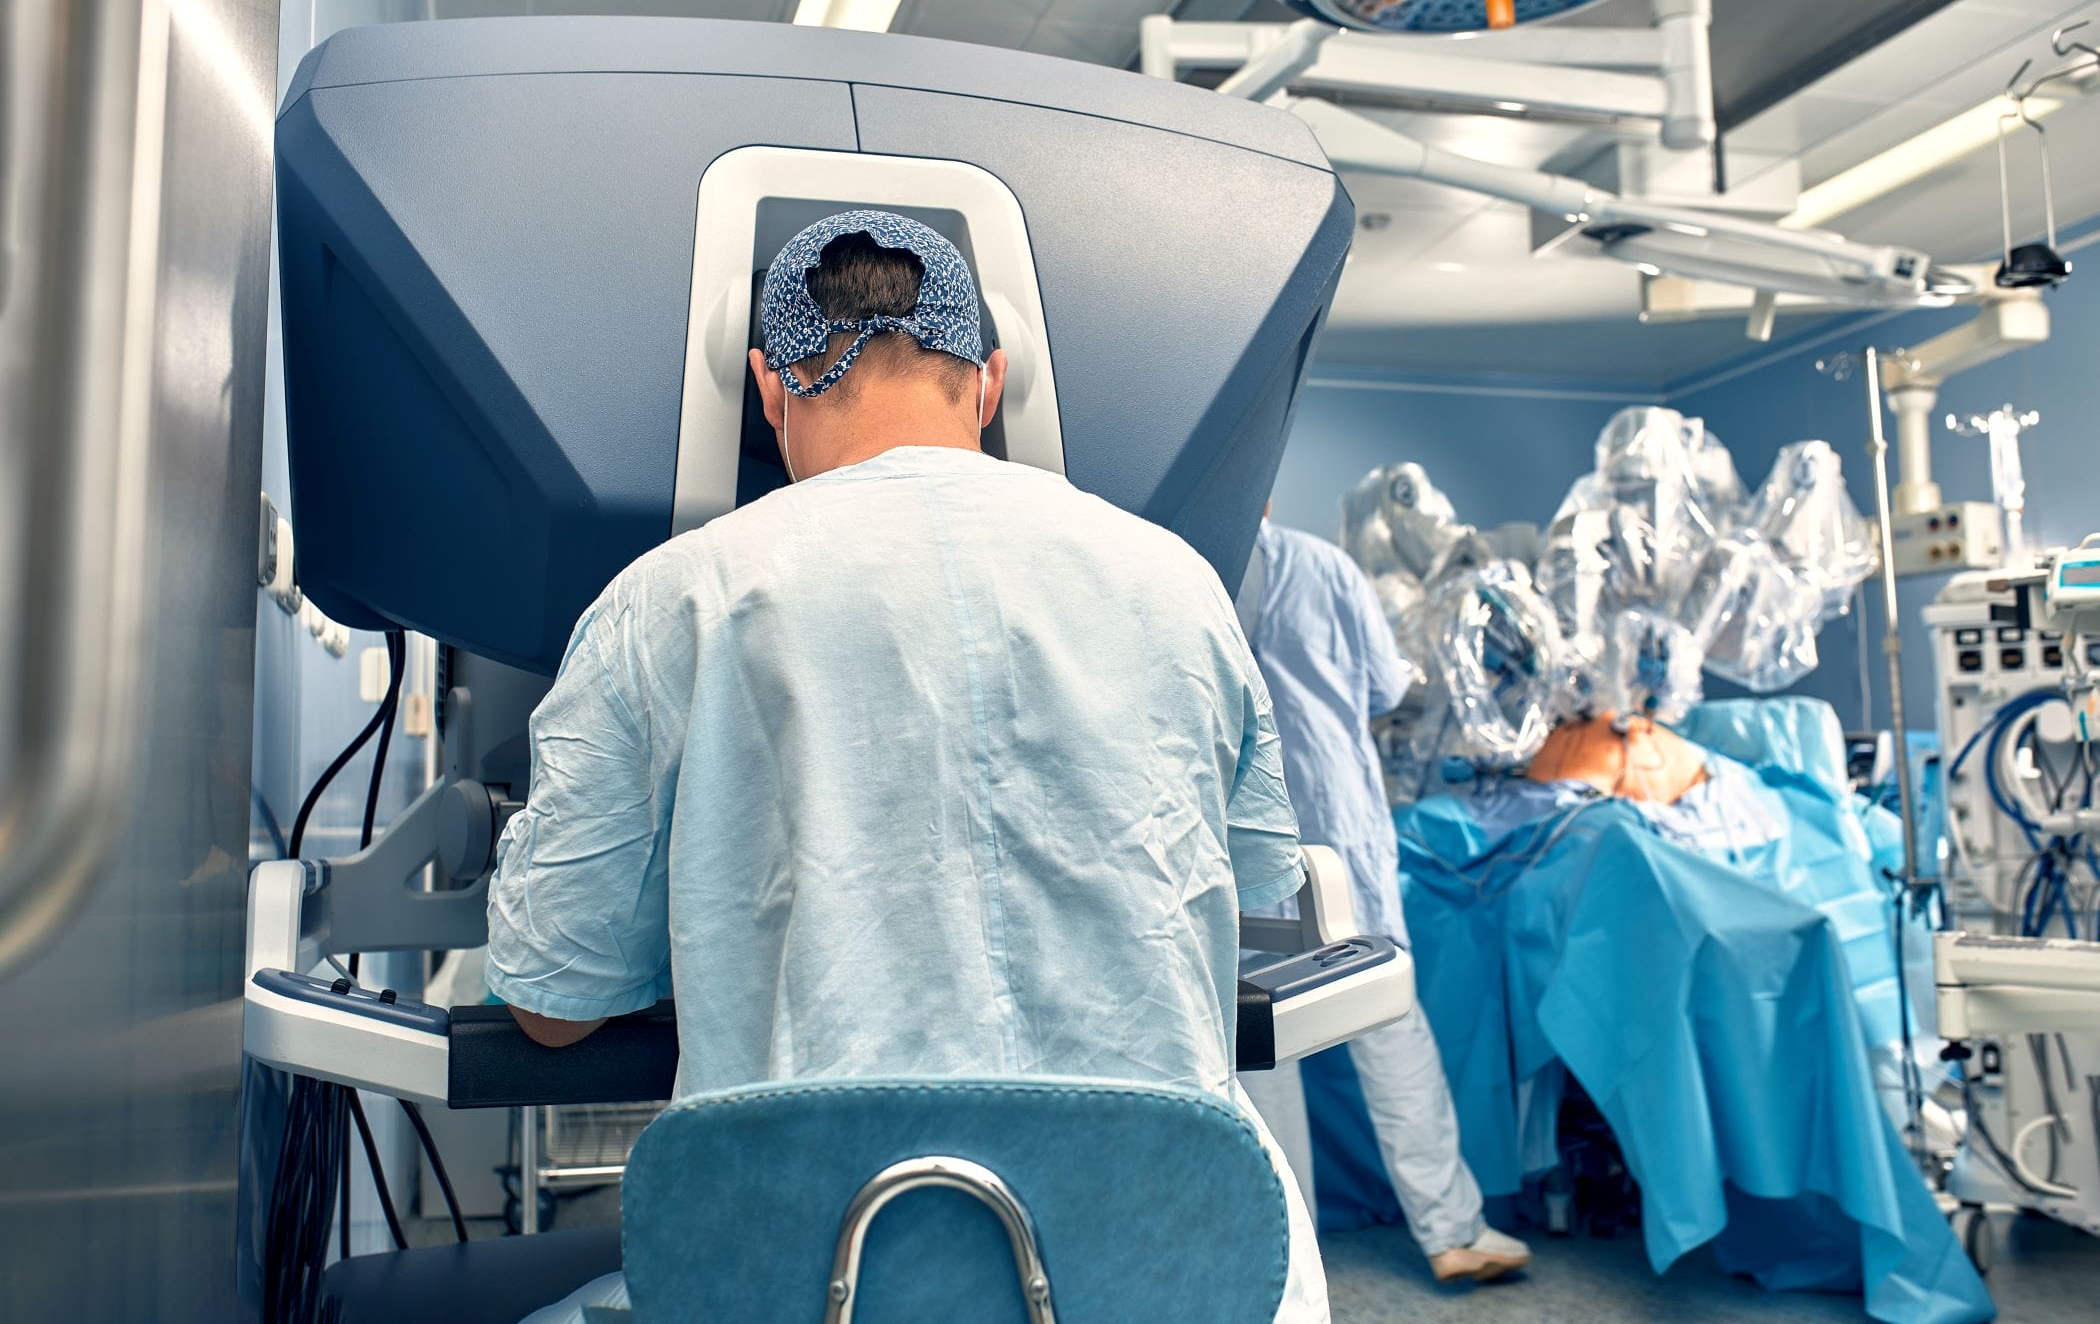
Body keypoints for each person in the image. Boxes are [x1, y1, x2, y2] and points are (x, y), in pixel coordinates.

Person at [483, 210, 1328, 1321]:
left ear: (768, 388)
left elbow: (552, 1005)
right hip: (1172, 1270)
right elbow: (1262, 886)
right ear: (989, 382)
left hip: (825, 1275)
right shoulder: (1177, 583)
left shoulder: (670, 600)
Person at [1239, 512, 1532, 1284]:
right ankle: (1452, 1229)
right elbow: (1386, 687)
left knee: (1260, 1040)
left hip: (1246, 826)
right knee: (1389, 1020)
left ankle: (1283, 1255)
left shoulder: (1186, 556)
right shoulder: (1330, 568)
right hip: (1339, 823)